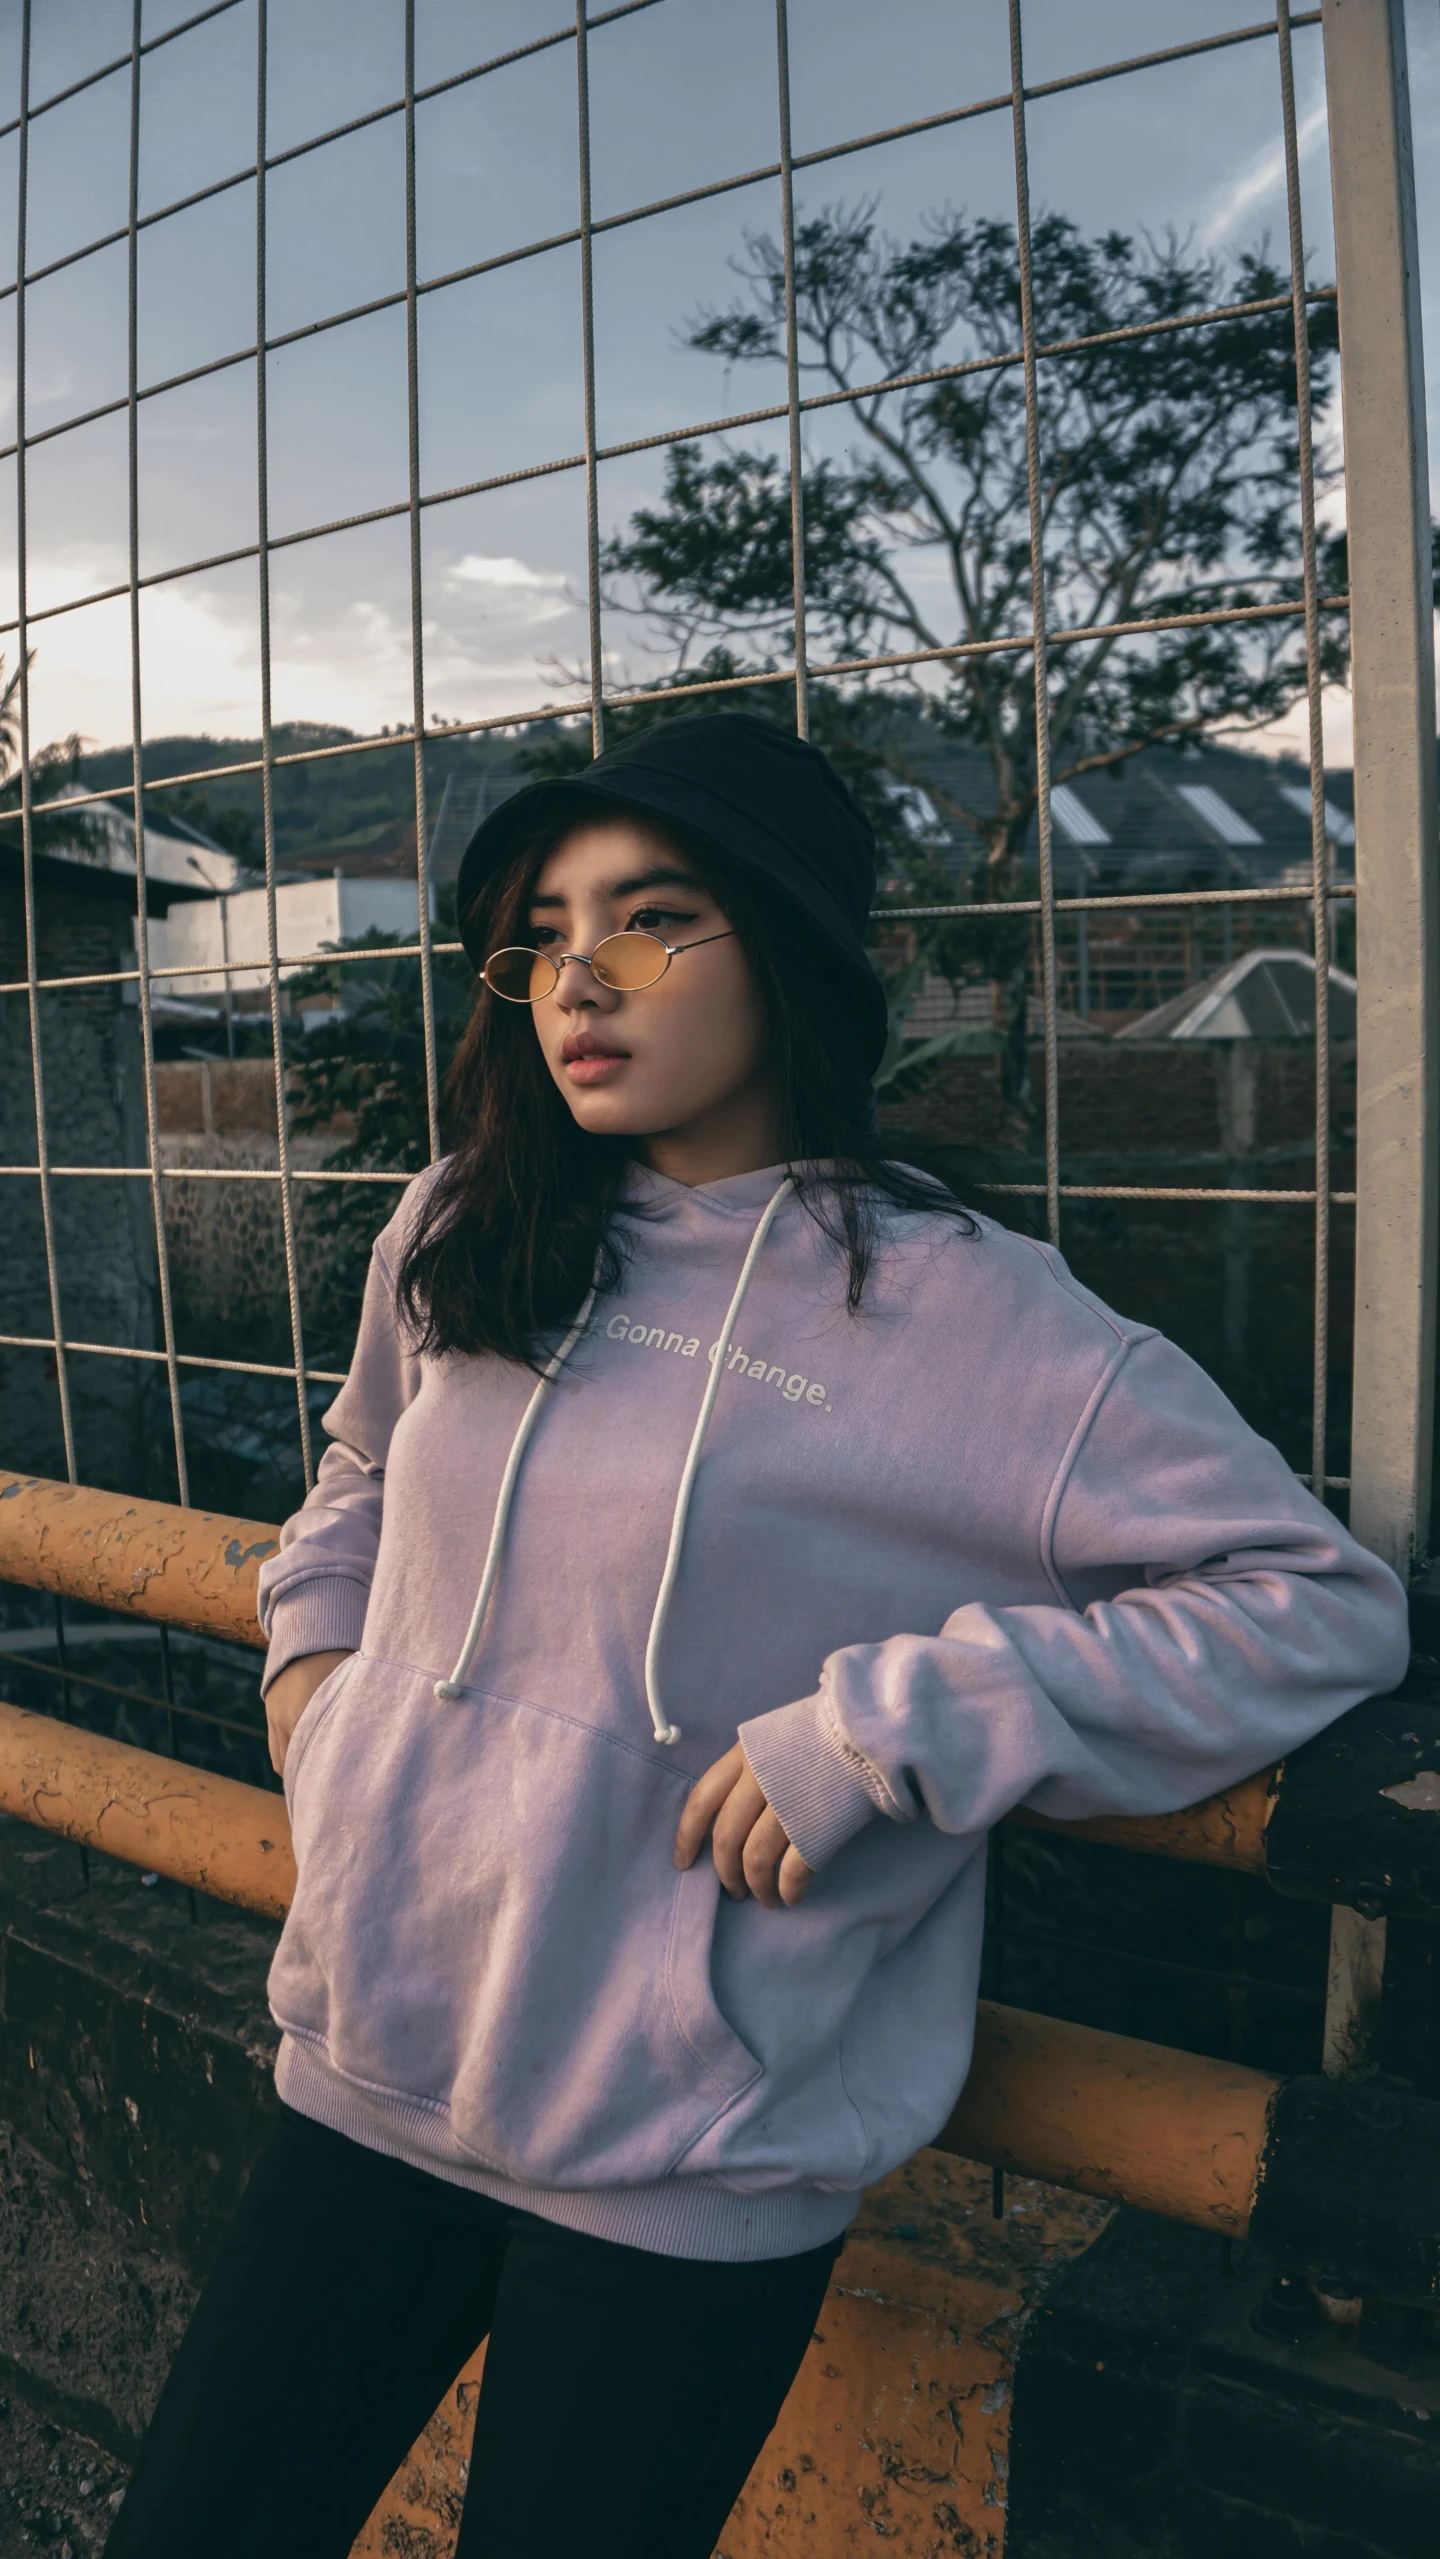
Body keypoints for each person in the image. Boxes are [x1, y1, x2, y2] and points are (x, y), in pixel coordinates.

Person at [106, 711, 1408, 2559]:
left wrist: (906, 1727)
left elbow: (1314, 1599)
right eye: (544, 933)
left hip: (684, 2159)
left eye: (650, 919)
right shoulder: (471, 1220)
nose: (582, 977)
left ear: (787, 944)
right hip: (377, 2055)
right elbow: (358, 1469)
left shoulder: (968, 1318)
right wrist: (324, 1685)